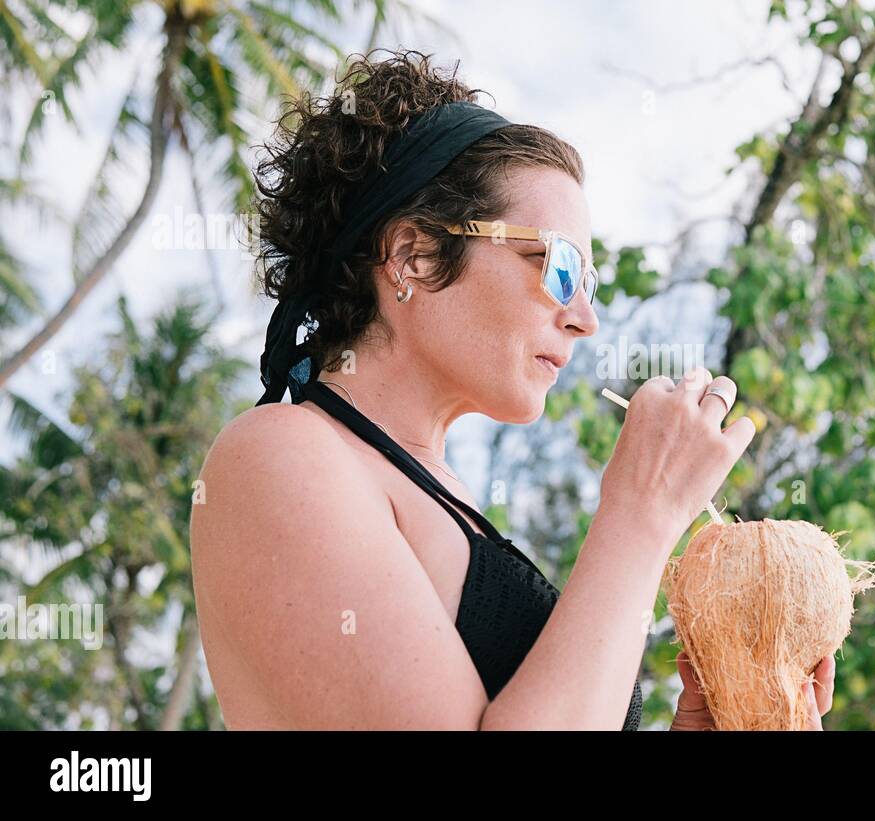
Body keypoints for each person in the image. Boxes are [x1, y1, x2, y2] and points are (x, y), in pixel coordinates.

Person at [189, 49, 834, 730]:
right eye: (559, 267)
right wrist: (641, 513)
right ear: (415, 255)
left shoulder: (443, 497)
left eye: (590, 286)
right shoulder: (279, 456)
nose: (584, 318)